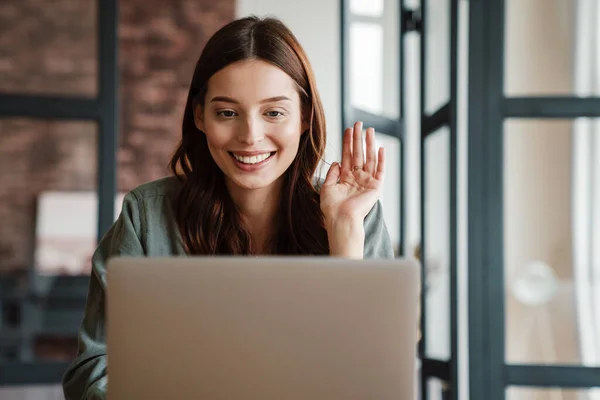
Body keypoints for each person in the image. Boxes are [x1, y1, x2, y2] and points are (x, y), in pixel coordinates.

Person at [62, 15, 394, 400]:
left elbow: (375, 381)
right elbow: (93, 370)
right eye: (227, 112)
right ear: (199, 116)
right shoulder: (147, 216)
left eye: (273, 112)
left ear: (304, 116)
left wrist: (344, 233)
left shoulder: (356, 215)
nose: (251, 137)